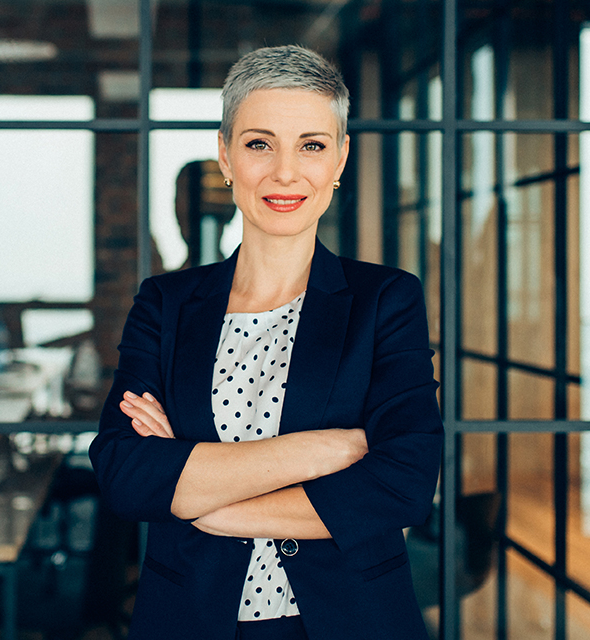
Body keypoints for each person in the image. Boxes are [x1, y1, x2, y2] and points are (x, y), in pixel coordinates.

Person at [89, 45, 443, 640]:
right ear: (224, 155)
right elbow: (125, 471)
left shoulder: (386, 299)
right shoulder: (166, 304)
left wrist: (203, 500)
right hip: (190, 618)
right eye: (259, 144)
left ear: (340, 158)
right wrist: (323, 453)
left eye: (311, 144)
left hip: (350, 621)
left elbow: (403, 484)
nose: (285, 172)